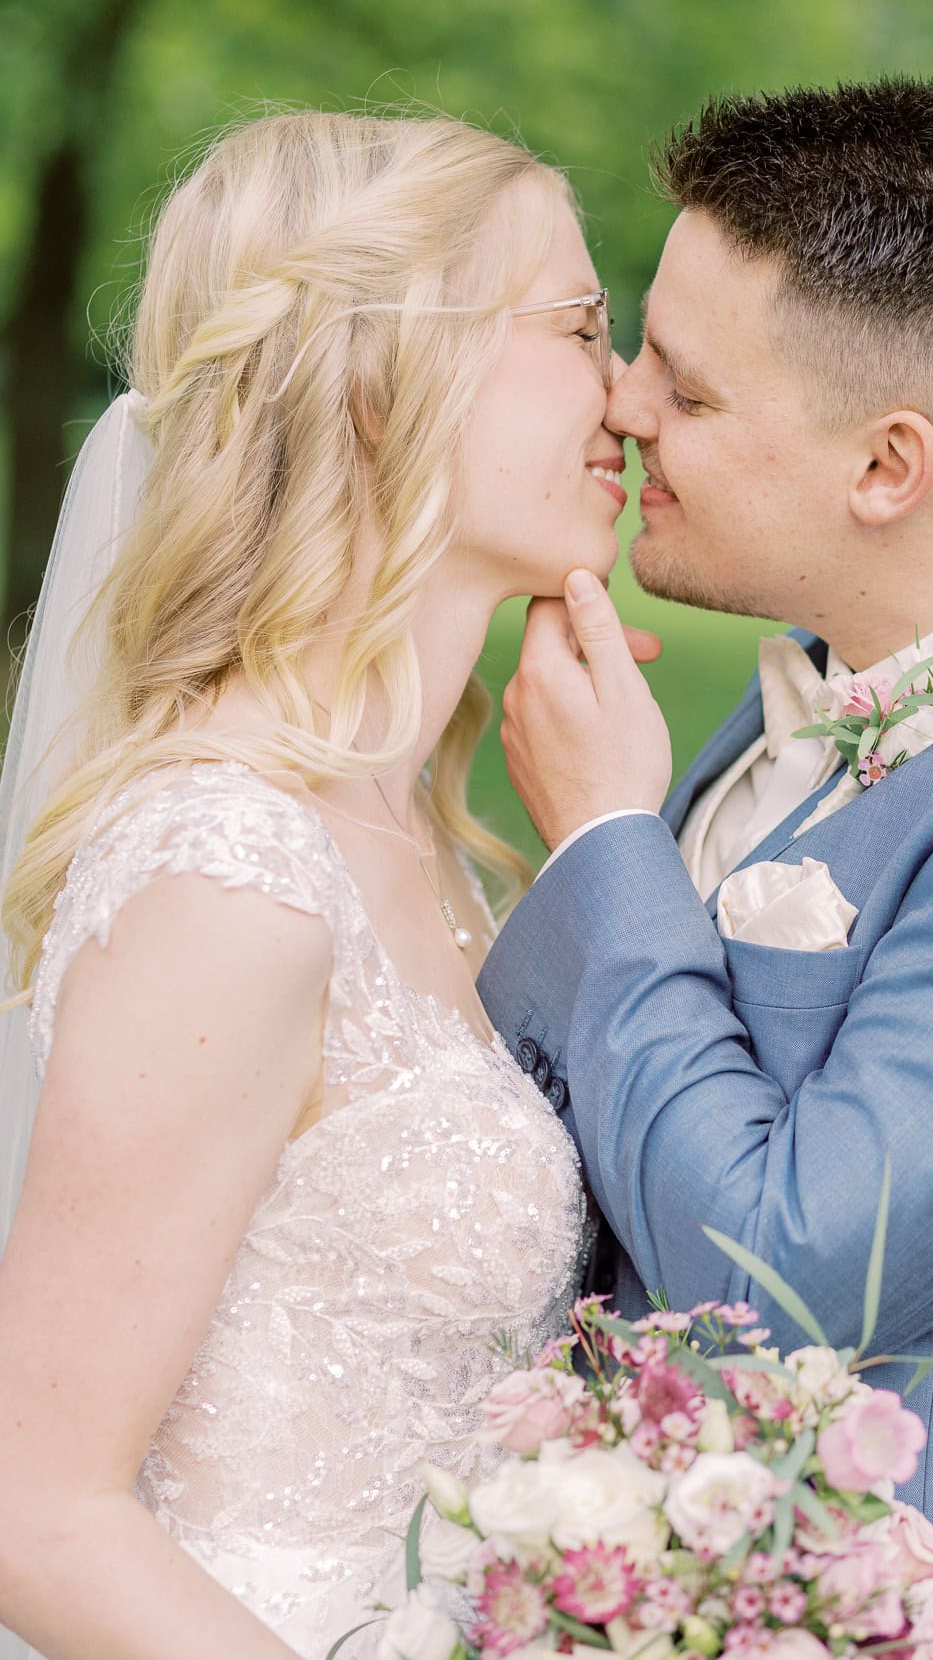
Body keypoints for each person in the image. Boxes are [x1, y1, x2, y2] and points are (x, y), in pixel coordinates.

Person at [477, 79, 933, 1657]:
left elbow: (780, 1276)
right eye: (632, 347)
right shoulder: (807, 684)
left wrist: (604, 843)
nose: (624, 408)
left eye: (691, 393)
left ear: (885, 467)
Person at [0, 108, 644, 1660]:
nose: (628, 395)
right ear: (379, 376)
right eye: (576, 327)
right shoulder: (232, 871)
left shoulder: (424, 840)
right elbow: (34, 1512)